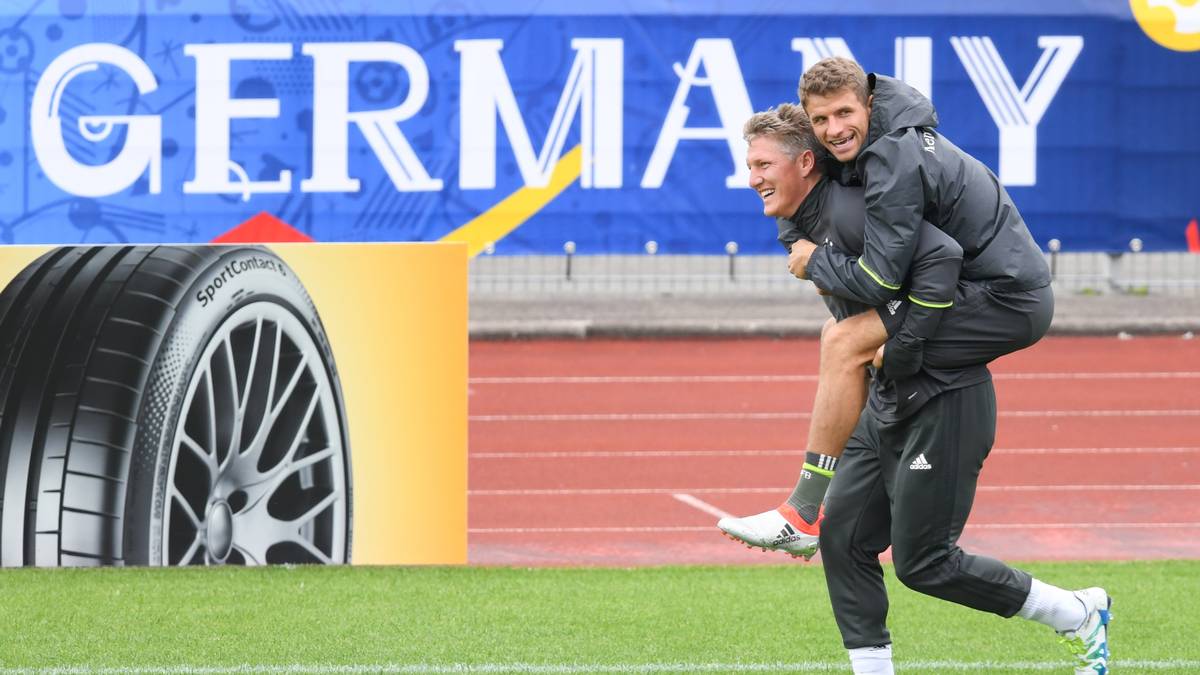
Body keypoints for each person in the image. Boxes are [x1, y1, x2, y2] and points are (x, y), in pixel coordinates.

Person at [778, 58, 1108, 675]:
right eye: (820, 120)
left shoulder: (893, 156)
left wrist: (820, 266)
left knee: (923, 561)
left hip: (1009, 299)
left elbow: (893, 273)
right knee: (844, 537)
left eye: (844, 113)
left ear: (868, 104)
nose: (834, 128)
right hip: (949, 328)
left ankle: (1078, 611)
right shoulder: (868, 157)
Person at [719, 105, 965, 560]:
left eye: (763, 165)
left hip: (940, 370)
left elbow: (943, 259)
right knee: (847, 545)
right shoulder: (800, 220)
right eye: (750, 167)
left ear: (806, 164)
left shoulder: (846, 210)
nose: (752, 179)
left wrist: (904, 344)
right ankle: (812, 526)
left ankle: (803, 509)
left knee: (925, 564)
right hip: (890, 384)